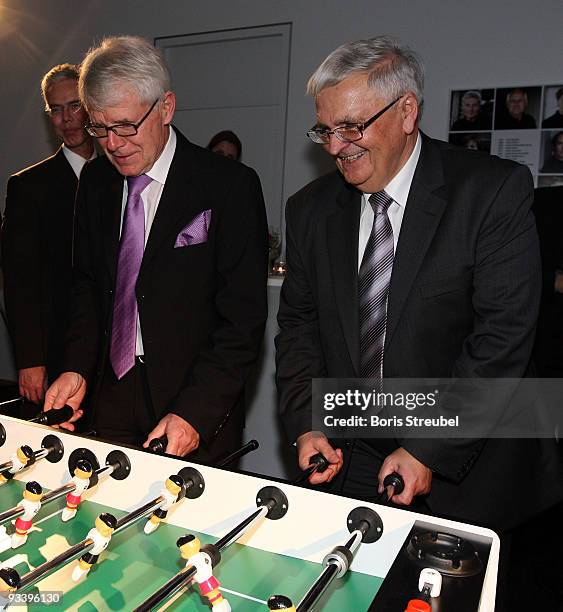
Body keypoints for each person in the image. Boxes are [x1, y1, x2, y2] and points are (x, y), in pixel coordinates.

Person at [275, 36, 561, 534]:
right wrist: (307, 421)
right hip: (353, 455)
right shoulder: (310, 210)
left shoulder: (491, 191)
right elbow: (299, 328)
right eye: (325, 130)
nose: (337, 147)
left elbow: (501, 340)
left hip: (468, 468)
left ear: (407, 112)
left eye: (351, 127)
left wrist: (427, 446)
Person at [43, 36, 268, 461]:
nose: (113, 143)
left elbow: (241, 323)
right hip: (109, 394)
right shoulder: (95, 182)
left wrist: (194, 413)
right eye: (100, 127)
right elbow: (89, 288)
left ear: (165, 108)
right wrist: (74, 365)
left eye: (126, 126)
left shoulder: (227, 187)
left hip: (191, 400)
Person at [2, 64, 95, 405]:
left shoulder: (120, 177)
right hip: (54, 349)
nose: (66, 119)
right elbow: (19, 281)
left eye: (74, 106)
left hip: (110, 350)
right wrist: (29, 359)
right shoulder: (28, 186)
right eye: (55, 110)